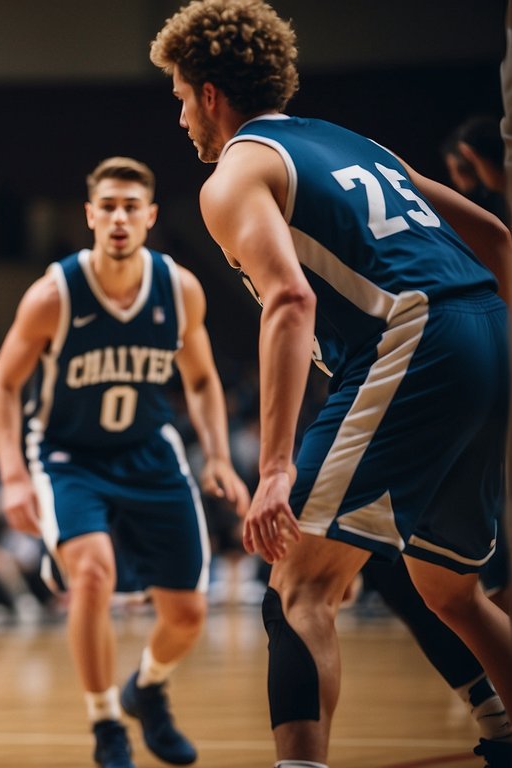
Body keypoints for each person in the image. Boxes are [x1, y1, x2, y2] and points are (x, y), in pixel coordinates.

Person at [150, 2, 512, 765]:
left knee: (299, 586)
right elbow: (496, 238)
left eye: (181, 96)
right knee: (451, 591)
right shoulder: (357, 143)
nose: (181, 115)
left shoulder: (235, 175)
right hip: (484, 326)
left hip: (415, 337)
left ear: (212, 93)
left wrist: (275, 467)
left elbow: (289, 300)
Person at [0, 156, 250, 768]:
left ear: (151, 217)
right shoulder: (55, 294)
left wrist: (216, 455)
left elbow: (205, 381)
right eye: (108, 206)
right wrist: (15, 475)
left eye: (132, 206)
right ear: (90, 215)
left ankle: (147, 687)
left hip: (150, 452)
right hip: (66, 455)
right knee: (94, 573)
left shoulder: (180, 290)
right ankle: (105, 720)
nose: (120, 217)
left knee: (187, 613)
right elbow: (3, 386)